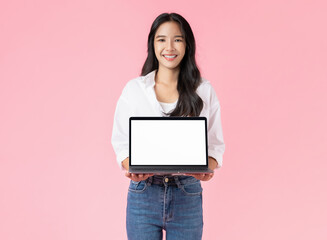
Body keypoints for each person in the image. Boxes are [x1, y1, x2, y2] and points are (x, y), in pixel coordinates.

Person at [111, 12, 225, 240]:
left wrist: (205, 168)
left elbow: (214, 146)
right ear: (152, 44)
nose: (169, 47)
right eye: (161, 39)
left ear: (187, 44)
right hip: (143, 193)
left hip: (187, 192)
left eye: (178, 39)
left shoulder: (203, 90)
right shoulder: (135, 89)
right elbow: (122, 142)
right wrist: (134, 167)